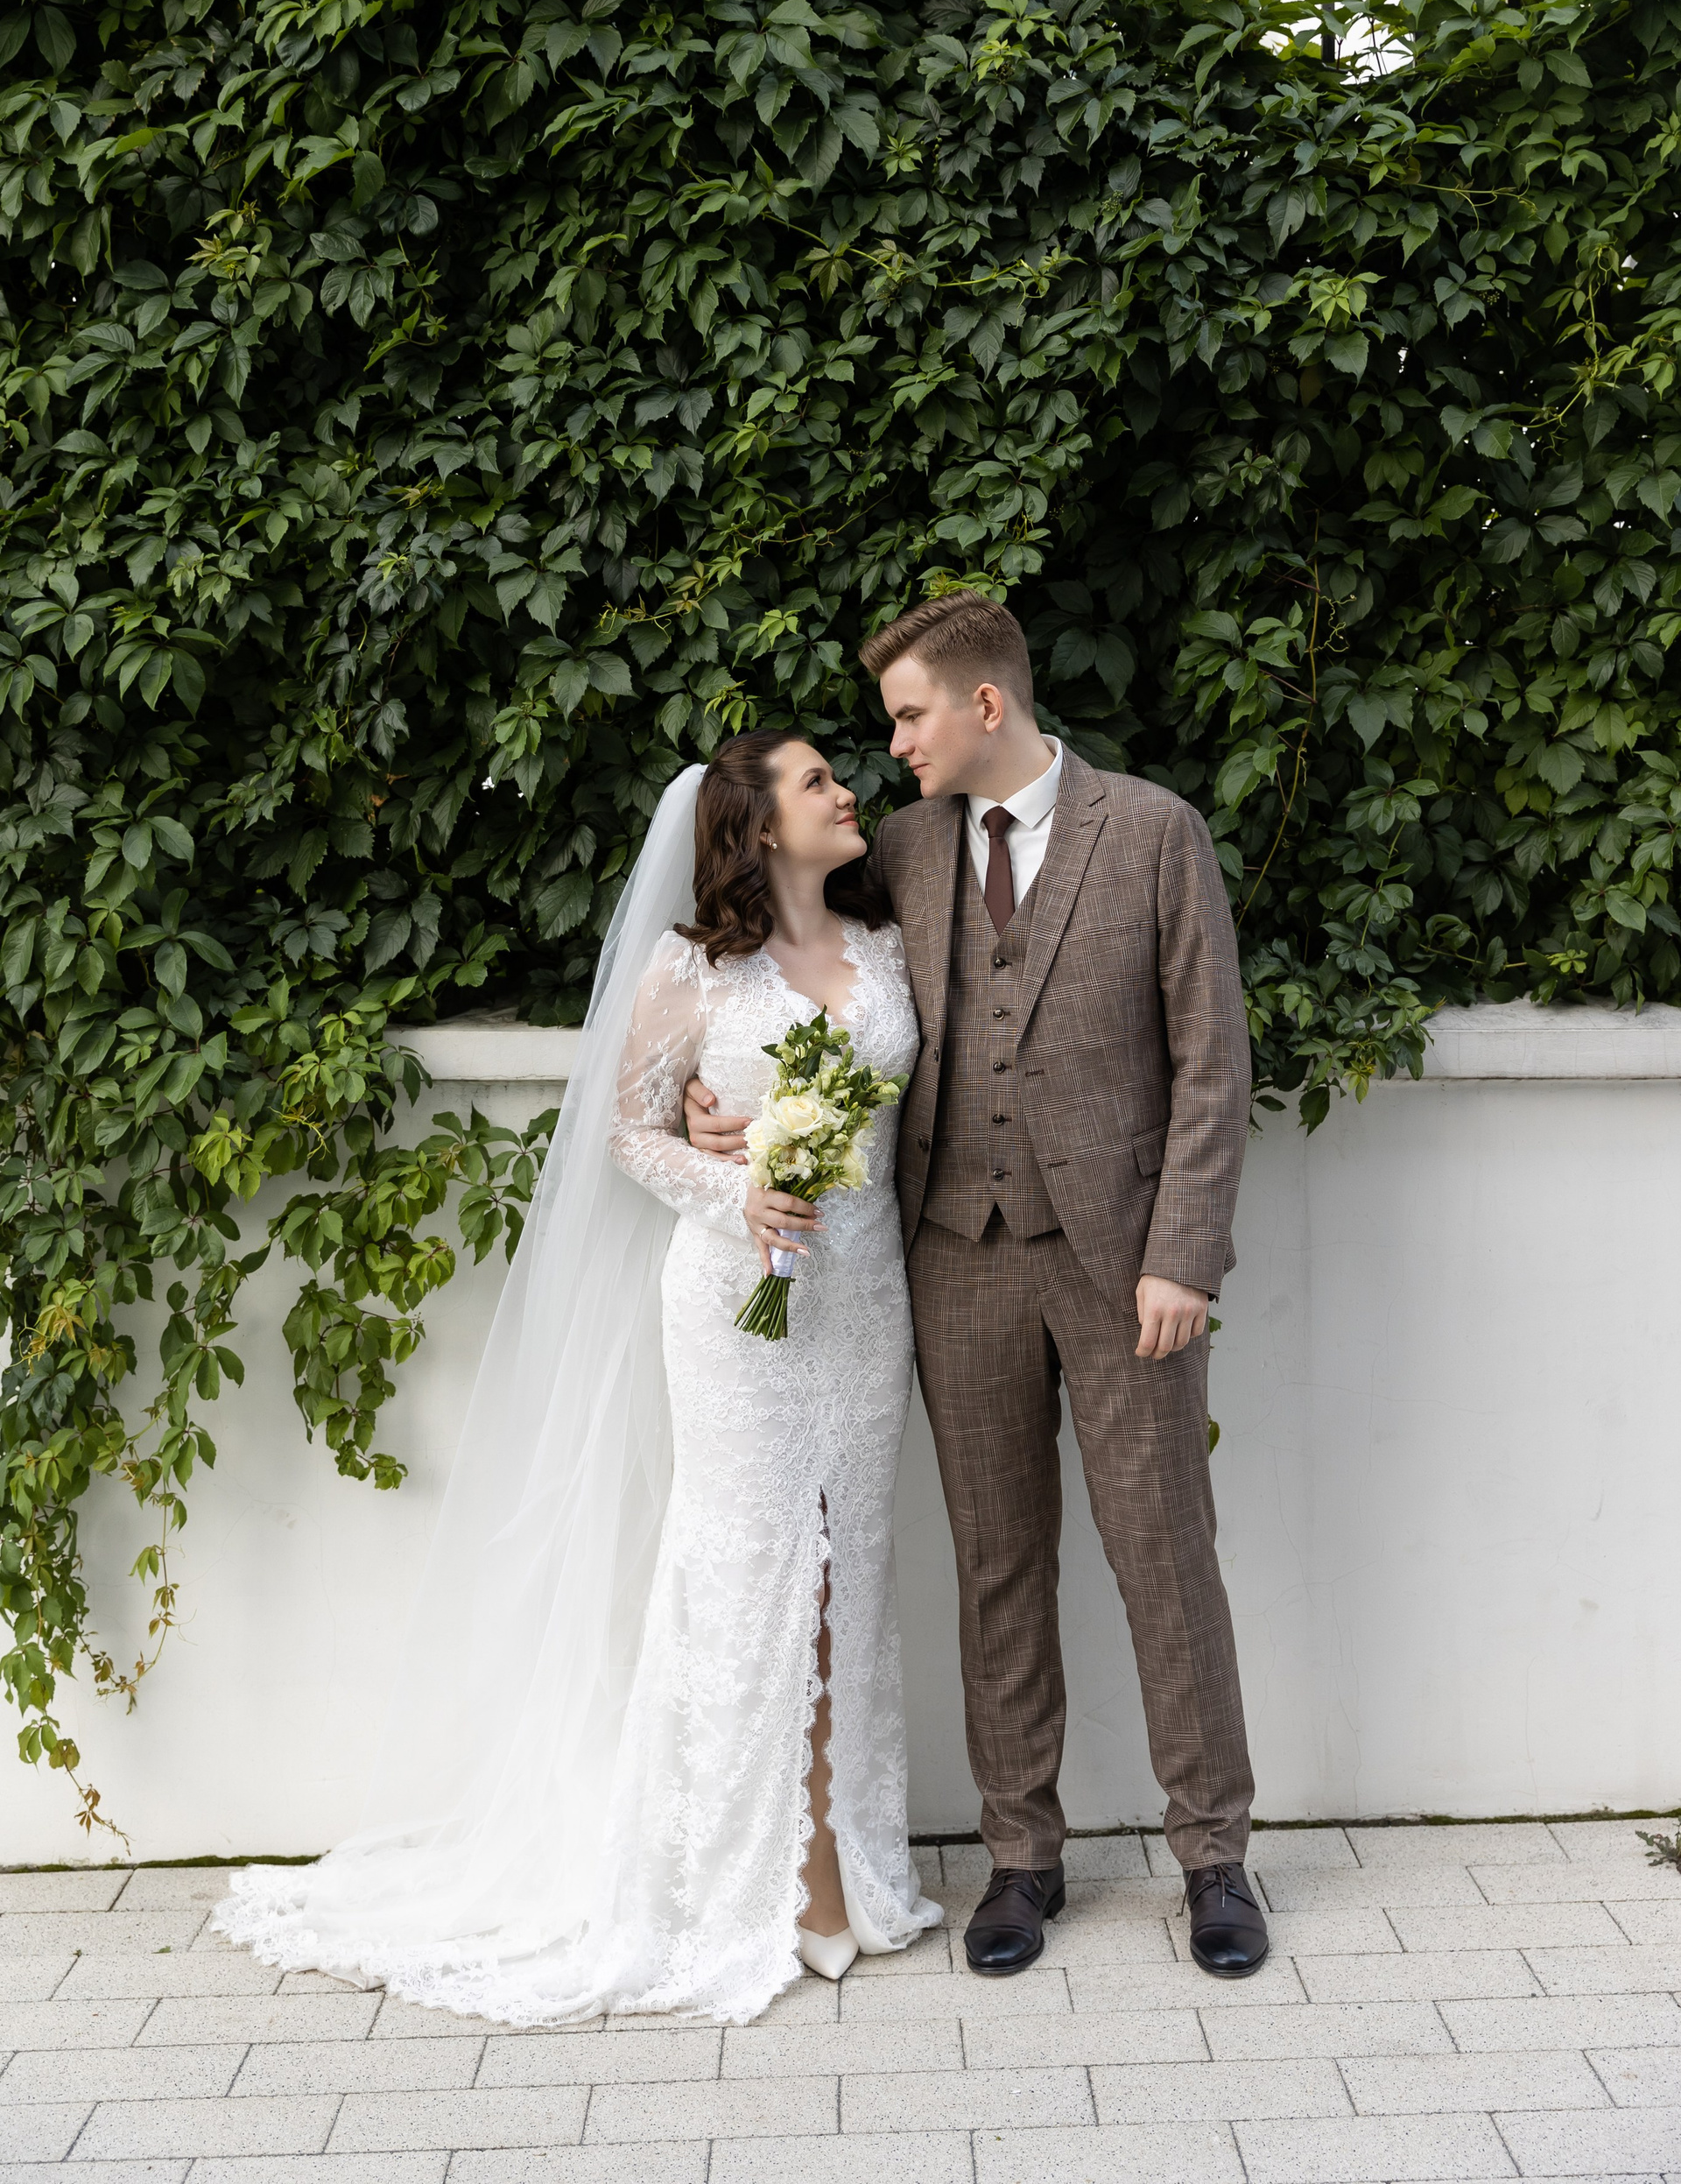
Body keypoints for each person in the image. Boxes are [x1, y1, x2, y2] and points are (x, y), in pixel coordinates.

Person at [214, 735, 939, 2023]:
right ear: (758, 826)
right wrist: (736, 1187)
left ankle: (839, 1851)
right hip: (736, 1308)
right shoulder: (692, 970)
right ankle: (757, 1881)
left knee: (852, 1567)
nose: (848, 794)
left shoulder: (886, 949)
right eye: (818, 782)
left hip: (866, 1301)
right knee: (749, 1567)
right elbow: (625, 1135)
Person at [686, 593, 1269, 1981]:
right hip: (953, 1256)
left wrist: (1183, 1253)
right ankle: (1022, 1857)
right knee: (997, 1562)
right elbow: (801, 976)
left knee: (1163, 1555)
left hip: (1125, 1265)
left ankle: (1213, 1857)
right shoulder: (903, 847)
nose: (893, 747)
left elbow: (1213, 1057)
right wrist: (713, 1103)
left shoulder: (1154, 833)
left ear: (985, 704)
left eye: (909, 716)